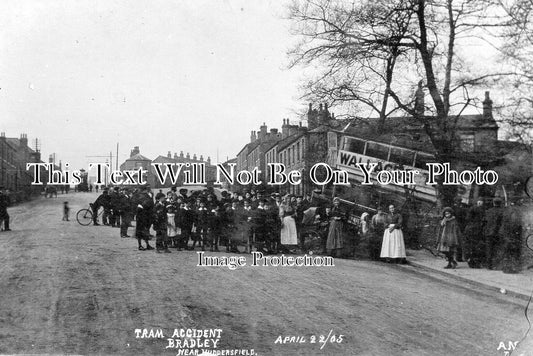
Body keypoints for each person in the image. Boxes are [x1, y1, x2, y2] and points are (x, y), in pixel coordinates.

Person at [464, 198, 485, 268]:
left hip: (471, 230)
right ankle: (474, 262)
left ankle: (470, 260)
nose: (480, 203)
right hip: (477, 230)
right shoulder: (483, 210)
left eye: (481, 202)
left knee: (471, 246)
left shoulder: (472, 209)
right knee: (476, 246)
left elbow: (467, 218)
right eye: (479, 202)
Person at [484, 198, 504, 269]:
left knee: (489, 249)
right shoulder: (503, 211)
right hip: (498, 233)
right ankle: (497, 265)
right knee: (498, 249)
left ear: (493, 203)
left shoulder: (488, 211)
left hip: (489, 233)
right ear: (500, 203)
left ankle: (489, 265)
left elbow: (484, 221)